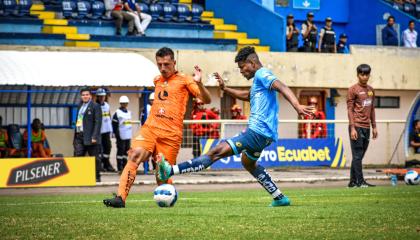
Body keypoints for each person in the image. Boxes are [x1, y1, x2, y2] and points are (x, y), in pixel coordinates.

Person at [157, 46, 314, 207]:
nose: (241, 71)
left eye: (242, 67)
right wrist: (225, 89)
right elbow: (247, 95)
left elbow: (281, 85)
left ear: (252, 62)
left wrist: (297, 106)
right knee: (248, 163)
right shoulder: (258, 83)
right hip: (264, 135)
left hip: (256, 133)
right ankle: (279, 198)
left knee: (215, 153)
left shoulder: (262, 74)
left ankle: (170, 171)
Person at [103, 47, 211, 208]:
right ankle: (120, 198)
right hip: (150, 129)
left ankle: (166, 200)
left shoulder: (186, 80)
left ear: (174, 63)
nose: (162, 68)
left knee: (162, 174)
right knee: (135, 155)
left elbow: (206, 99)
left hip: (170, 135)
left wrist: (199, 83)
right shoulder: (157, 80)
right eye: (159, 64)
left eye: (166, 64)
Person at [347, 64, 378, 188]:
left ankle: (352, 182)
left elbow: (372, 109)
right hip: (356, 126)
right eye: (362, 74)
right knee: (358, 155)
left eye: (367, 74)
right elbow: (349, 110)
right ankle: (360, 182)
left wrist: (374, 126)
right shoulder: (353, 89)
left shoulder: (371, 90)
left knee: (359, 156)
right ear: (358, 75)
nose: (364, 77)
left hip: (367, 127)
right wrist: (352, 127)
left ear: (369, 75)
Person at [73, 87, 102, 182]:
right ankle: (80, 177)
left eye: (87, 94)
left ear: (90, 96)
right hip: (79, 135)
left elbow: (98, 122)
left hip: (90, 137)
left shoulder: (95, 106)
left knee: (95, 158)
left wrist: (94, 136)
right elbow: (79, 120)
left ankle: (97, 177)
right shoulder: (79, 106)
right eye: (83, 95)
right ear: (81, 96)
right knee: (78, 155)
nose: (85, 96)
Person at [96, 88, 115, 172]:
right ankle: (100, 165)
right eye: (99, 96)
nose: (101, 98)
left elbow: (109, 116)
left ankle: (106, 163)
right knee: (99, 148)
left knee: (108, 147)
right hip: (99, 131)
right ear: (97, 97)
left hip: (107, 130)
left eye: (103, 96)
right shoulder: (95, 106)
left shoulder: (107, 105)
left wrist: (111, 129)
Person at [112, 96, 133, 171]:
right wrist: (116, 134)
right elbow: (114, 124)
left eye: (126, 103)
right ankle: (119, 167)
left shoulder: (129, 112)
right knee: (120, 150)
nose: (124, 104)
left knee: (126, 151)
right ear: (120, 103)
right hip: (120, 135)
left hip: (128, 135)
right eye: (123, 103)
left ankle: (125, 165)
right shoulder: (117, 113)